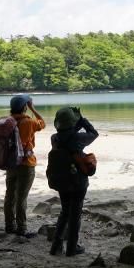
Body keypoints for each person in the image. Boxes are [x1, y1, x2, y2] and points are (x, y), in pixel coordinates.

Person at [48, 107, 99, 256]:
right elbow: (94, 134)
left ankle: (56, 246)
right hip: (77, 181)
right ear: (73, 122)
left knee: (65, 211)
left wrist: (74, 123)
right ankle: (72, 247)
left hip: (61, 180)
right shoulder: (77, 139)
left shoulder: (54, 138)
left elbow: (67, 133)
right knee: (75, 214)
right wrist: (82, 120)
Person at [4, 94, 45, 236]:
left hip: (10, 163)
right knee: (21, 198)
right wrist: (33, 108)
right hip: (26, 163)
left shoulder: (7, 121)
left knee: (10, 196)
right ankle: (22, 228)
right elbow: (42, 123)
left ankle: (9, 225)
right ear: (24, 107)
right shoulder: (28, 122)